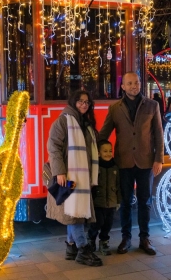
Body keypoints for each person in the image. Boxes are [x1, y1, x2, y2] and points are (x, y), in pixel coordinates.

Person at [99, 72, 163, 255]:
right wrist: (93, 150)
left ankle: (145, 238)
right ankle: (126, 238)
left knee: (145, 202)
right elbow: (104, 133)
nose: (134, 86)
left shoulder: (152, 105)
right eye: (130, 83)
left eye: (136, 82)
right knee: (125, 202)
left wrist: (158, 158)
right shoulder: (115, 108)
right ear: (123, 87)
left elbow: (158, 135)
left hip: (146, 161)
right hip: (123, 161)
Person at [47, 90, 102, 267]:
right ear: (73, 102)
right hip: (68, 176)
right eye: (80, 101)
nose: (84, 104)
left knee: (73, 211)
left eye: (86, 102)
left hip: (80, 176)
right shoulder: (64, 120)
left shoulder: (85, 123)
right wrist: (59, 172)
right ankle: (83, 249)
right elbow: (53, 146)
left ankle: (71, 247)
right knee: (75, 214)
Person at [87, 140, 121, 256]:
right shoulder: (96, 168)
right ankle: (91, 239)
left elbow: (118, 186)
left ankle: (104, 242)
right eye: (105, 151)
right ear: (99, 153)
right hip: (98, 202)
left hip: (111, 203)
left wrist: (118, 201)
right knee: (97, 222)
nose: (108, 153)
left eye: (110, 151)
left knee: (108, 224)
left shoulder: (115, 168)